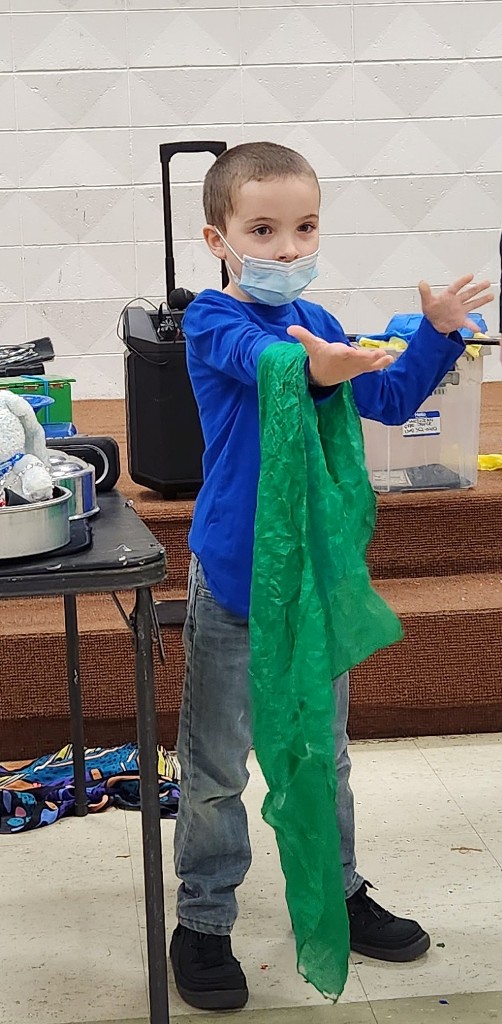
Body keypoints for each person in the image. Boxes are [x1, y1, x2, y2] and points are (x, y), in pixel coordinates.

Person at [169, 141, 493, 1012]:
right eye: (262, 230)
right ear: (218, 239)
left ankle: (339, 891)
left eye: (304, 227)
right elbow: (268, 363)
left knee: (325, 752)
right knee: (215, 768)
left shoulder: (317, 317)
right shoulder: (212, 320)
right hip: (235, 580)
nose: (287, 248)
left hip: (311, 583)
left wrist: (434, 334)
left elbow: (385, 399)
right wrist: (320, 367)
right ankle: (203, 919)